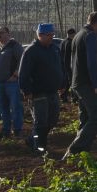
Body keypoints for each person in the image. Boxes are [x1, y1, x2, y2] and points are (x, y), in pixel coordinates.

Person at [64, 12, 97, 159]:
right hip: (87, 84)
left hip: (77, 82)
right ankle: (75, 149)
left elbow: (71, 62)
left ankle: (81, 153)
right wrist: (96, 84)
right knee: (96, 117)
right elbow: (92, 62)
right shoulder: (91, 36)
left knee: (85, 117)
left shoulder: (78, 35)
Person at [19, 23, 64, 157]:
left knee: (52, 120)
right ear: (40, 35)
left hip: (53, 91)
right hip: (38, 92)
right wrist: (26, 91)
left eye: (52, 35)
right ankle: (39, 148)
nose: (51, 37)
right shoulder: (31, 51)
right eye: (49, 35)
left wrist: (62, 83)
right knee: (40, 122)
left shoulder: (54, 49)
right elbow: (23, 74)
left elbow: (60, 67)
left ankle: (32, 139)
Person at [0, 26, 24, 138]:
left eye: (2, 33)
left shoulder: (15, 46)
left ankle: (17, 130)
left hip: (12, 83)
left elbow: (22, 60)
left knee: (15, 107)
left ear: (8, 34)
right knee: (3, 108)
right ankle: (6, 130)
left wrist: (15, 74)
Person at [59, 28, 76, 104]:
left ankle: (64, 96)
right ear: (72, 34)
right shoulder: (70, 43)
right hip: (69, 65)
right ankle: (73, 97)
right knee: (71, 82)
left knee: (66, 82)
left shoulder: (63, 42)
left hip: (63, 65)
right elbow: (68, 57)